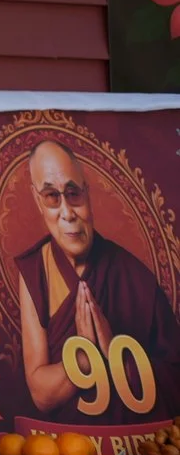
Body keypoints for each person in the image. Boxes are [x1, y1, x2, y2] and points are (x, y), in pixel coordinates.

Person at [14, 138, 180, 422]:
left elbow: (176, 377)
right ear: (37, 201)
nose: (67, 213)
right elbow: (41, 395)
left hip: (131, 442)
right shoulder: (35, 269)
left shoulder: (133, 276)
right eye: (52, 197)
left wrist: (117, 354)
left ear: (88, 194)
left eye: (73, 193)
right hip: (67, 443)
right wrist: (83, 355)